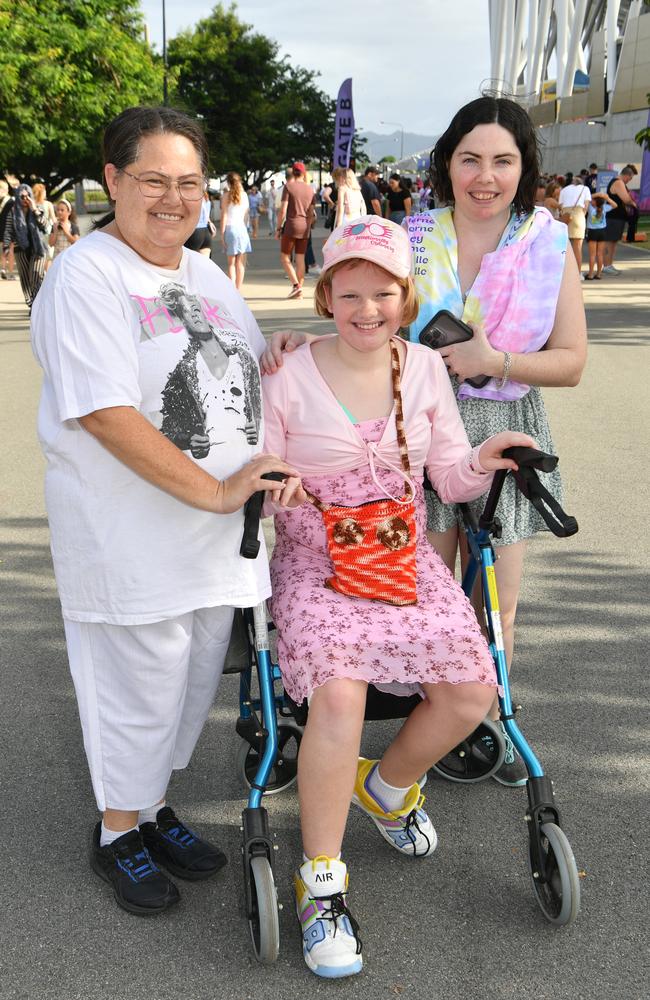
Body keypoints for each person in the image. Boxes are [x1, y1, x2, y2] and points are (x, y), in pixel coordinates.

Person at [30, 105, 297, 918]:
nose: (175, 198)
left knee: (183, 691)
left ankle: (149, 810)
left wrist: (277, 361)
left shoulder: (202, 271)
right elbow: (105, 412)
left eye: (190, 182)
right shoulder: (87, 276)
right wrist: (215, 489)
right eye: (154, 179)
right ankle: (118, 832)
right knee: (134, 688)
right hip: (134, 537)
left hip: (217, 545)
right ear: (113, 180)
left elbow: (246, 357)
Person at [262, 217, 535, 979]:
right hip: (317, 561)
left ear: (404, 296)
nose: (367, 308)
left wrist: (485, 456)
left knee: (472, 688)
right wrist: (272, 484)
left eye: (383, 292)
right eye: (349, 293)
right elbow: (259, 464)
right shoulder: (284, 371)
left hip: (401, 554)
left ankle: (384, 788)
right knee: (340, 697)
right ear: (324, 296)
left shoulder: (420, 369)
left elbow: (448, 475)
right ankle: (321, 883)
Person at [402, 96, 587, 784]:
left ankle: (485, 717)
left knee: (493, 601)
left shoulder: (545, 244)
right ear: (447, 164)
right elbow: (369, 326)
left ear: (523, 167)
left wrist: (494, 361)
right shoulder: (412, 237)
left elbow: (571, 360)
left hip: (505, 432)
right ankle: (430, 725)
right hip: (420, 428)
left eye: (502, 161)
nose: (485, 175)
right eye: (470, 158)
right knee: (426, 593)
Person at [2, 182, 48, 308]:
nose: (25, 199)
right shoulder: (13, 211)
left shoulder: (38, 208)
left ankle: (39, 303)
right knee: (25, 279)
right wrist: (6, 247)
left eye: (27, 196)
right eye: (22, 196)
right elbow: (8, 230)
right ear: (17, 197)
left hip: (38, 248)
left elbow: (45, 225)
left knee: (36, 275)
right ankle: (32, 303)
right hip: (20, 249)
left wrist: (34, 209)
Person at [275, 161, 316, 300]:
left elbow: (283, 210)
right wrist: (308, 227)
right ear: (304, 173)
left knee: (284, 257)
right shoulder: (310, 190)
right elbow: (311, 212)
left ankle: (296, 285)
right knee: (300, 258)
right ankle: (299, 290)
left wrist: (278, 227)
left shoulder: (289, 187)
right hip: (304, 226)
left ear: (293, 172)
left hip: (291, 225)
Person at [603, 164, 638, 273]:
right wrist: (633, 204)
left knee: (613, 242)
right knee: (609, 242)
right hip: (613, 217)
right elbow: (626, 199)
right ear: (627, 175)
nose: (629, 181)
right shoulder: (618, 182)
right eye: (630, 178)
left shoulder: (619, 182)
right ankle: (606, 266)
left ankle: (609, 265)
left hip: (617, 217)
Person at [220, 172, 251, 290]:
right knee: (241, 264)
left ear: (228, 182)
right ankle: (238, 290)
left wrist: (222, 234)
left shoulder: (226, 196)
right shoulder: (244, 195)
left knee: (231, 264)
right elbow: (246, 215)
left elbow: (224, 216)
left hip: (230, 229)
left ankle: (232, 290)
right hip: (242, 229)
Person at [558, 175, 591, 278]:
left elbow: (560, 206)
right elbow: (586, 206)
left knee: (564, 246)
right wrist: (582, 215)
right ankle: (578, 274)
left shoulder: (564, 190)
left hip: (565, 216)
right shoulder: (585, 189)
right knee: (577, 247)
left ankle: (564, 274)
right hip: (578, 215)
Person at [584, 191, 616, 279]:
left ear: (595, 201)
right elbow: (615, 205)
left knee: (592, 255)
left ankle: (590, 274)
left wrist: (597, 194)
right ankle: (598, 274)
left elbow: (586, 197)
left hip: (592, 232)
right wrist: (607, 198)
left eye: (593, 200)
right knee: (600, 254)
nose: (591, 200)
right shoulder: (604, 207)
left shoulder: (590, 207)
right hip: (602, 232)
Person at [184, 189, 215, 256]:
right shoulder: (206, 198)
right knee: (204, 264)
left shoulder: (193, 198)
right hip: (206, 232)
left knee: (190, 262)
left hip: (195, 232)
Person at [0, 179, 16, 280]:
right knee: (9, 250)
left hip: (8, 228)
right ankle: (7, 271)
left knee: (8, 249)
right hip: (8, 228)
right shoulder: (12, 200)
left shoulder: (11, 201)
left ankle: (5, 269)